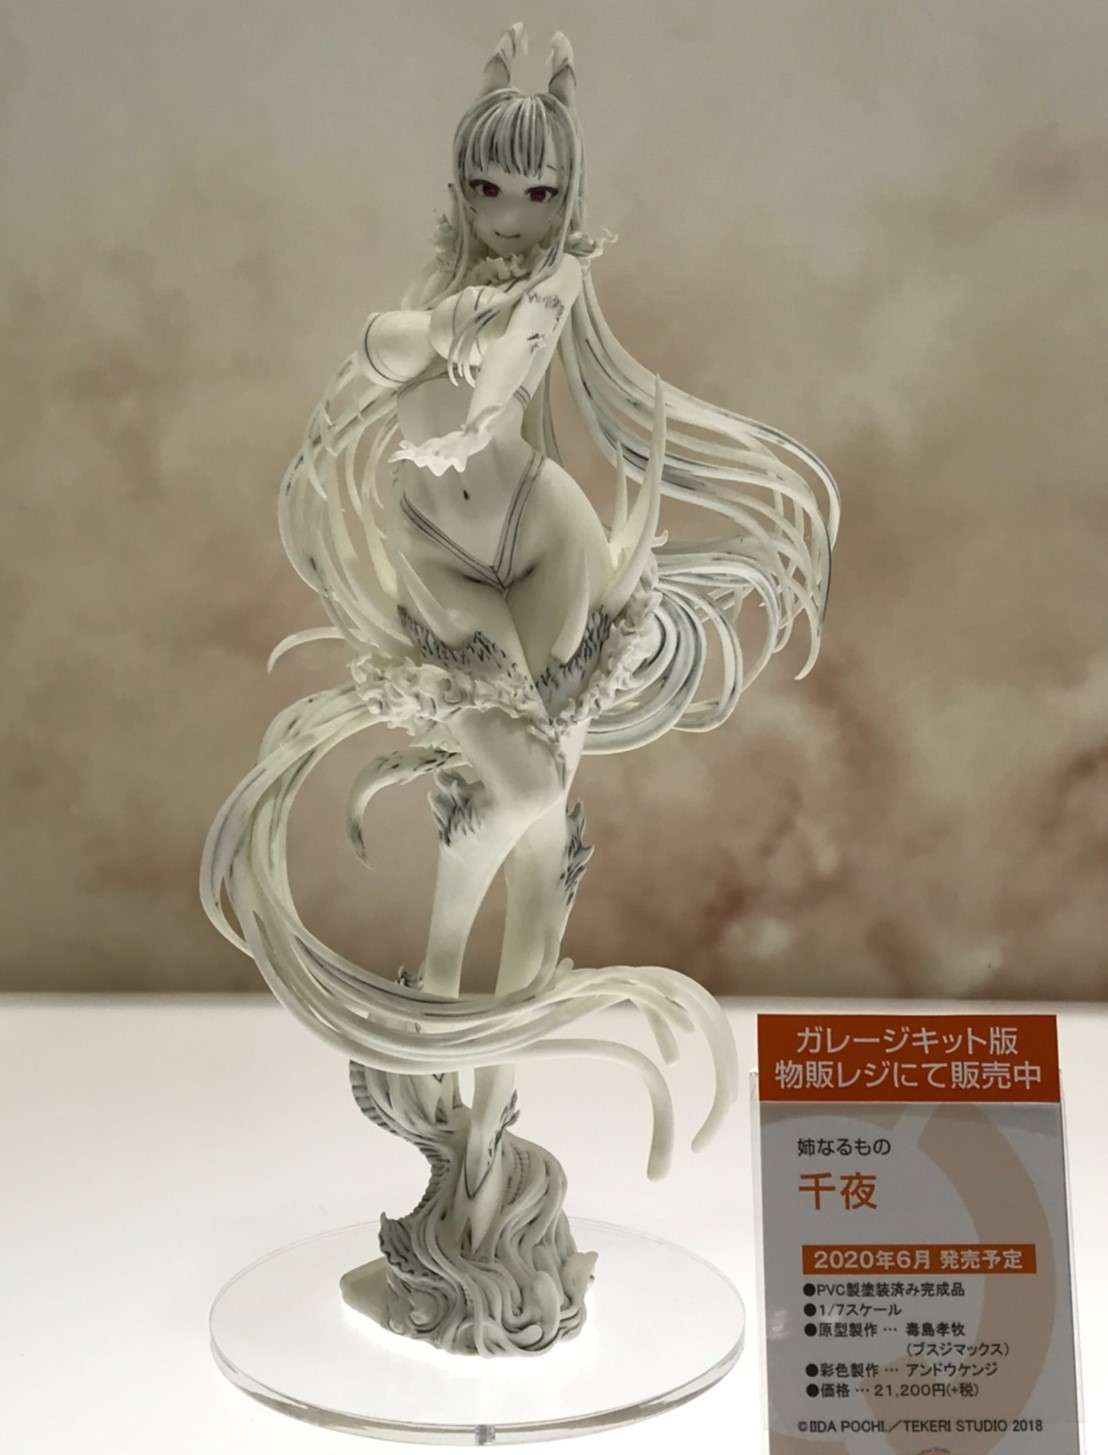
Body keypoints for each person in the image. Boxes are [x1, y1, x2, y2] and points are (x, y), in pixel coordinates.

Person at [202, 24, 837, 1353]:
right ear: (459, 185)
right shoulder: (437, 289)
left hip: (544, 538)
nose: (511, 212)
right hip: (444, 554)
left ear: (567, 195)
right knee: (513, 775)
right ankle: (447, 1013)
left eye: (537, 192)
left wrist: (461, 381)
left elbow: (494, 388)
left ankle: (481, 1088)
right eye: (489, 188)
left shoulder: (550, 287)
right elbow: (379, 372)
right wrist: (416, 341)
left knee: (544, 800)